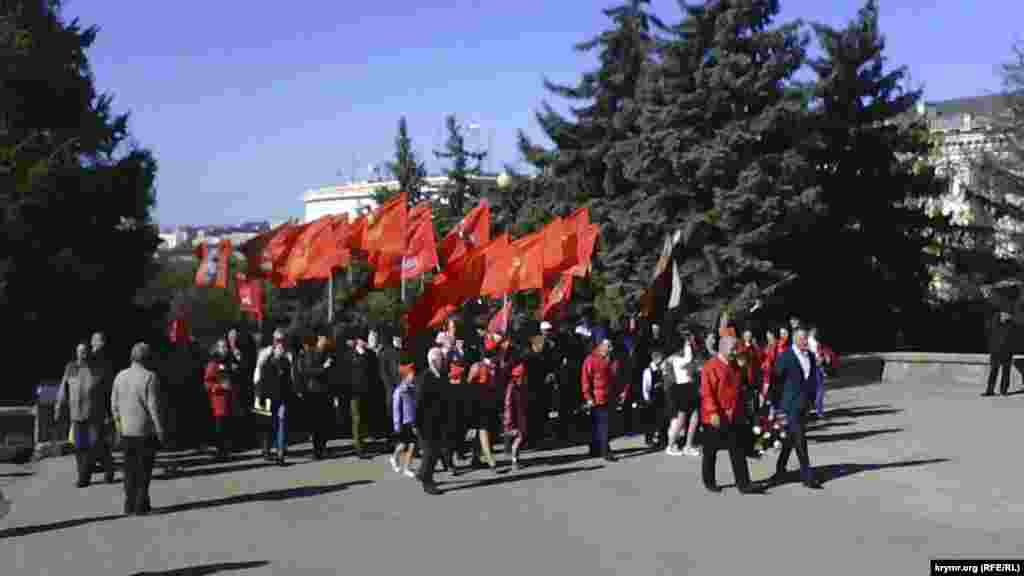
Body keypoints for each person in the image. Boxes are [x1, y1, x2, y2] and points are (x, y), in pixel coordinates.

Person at [111, 342, 166, 516]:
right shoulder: (150, 377)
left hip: (126, 431)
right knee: (144, 470)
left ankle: (129, 504)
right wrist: (160, 429)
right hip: (144, 431)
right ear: (147, 358)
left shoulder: (120, 376)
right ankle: (140, 505)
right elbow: (153, 407)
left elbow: (114, 405)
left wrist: (118, 425)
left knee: (129, 470)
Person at [699, 335, 758, 494]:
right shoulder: (710, 366)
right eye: (732, 349)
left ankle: (744, 484)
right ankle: (709, 481)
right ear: (723, 348)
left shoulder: (735, 365)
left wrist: (745, 366)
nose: (734, 352)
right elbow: (706, 392)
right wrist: (712, 412)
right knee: (711, 451)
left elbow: (746, 384)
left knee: (738, 450)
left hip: (734, 415)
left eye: (735, 349)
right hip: (715, 416)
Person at [767, 328, 822, 490]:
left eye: (806, 338)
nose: (806, 341)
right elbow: (775, 381)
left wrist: (812, 400)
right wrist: (775, 405)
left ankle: (780, 470)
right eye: (803, 338)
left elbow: (812, 380)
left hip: (804, 405)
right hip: (789, 405)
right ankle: (808, 477)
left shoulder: (810, 356)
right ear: (795, 340)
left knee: (790, 439)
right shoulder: (786, 356)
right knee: (800, 439)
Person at [56, 341, 114, 487]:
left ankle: (105, 469)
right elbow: (64, 387)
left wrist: (109, 413)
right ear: (76, 353)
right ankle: (84, 477)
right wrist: (58, 406)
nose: (82, 354)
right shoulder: (71, 368)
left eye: (85, 351)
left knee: (95, 446)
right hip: (76, 415)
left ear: (89, 353)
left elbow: (106, 393)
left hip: (94, 414)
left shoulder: (98, 369)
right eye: (80, 351)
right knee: (80, 447)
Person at [416, 347, 450, 495]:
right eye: (441, 359)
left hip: (439, 421)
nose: (443, 361)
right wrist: (416, 424)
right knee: (430, 452)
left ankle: (423, 474)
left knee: (435, 451)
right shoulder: (425, 378)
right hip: (426, 422)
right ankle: (427, 481)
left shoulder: (441, 375)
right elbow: (418, 403)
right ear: (433, 361)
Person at [257, 340, 294, 466]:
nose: (281, 350)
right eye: (278, 348)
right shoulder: (267, 364)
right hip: (268, 399)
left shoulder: (286, 363)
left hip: (282, 399)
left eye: (282, 348)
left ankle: (280, 454)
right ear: (274, 350)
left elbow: (289, 382)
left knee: (281, 424)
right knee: (269, 426)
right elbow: (262, 383)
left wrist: (289, 397)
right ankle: (266, 450)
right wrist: (261, 399)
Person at [299, 330, 335, 460]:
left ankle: (321, 448)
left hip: (322, 391)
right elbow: (308, 372)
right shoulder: (310, 353)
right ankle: (317, 450)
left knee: (322, 422)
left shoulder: (324, 353)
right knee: (316, 423)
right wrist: (324, 368)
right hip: (313, 392)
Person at [664, 335, 700, 457]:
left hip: (690, 387)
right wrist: (689, 344)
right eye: (685, 345)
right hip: (682, 388)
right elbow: (689, 360)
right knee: (681, 418)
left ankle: (688, 445)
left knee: (695, 416)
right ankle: (670, 445)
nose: (688, 346)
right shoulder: (676, 359)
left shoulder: (681, 358)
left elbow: (693, 365)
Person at [581, 338, 617, 462]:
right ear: (601, 346)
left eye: (611, 346)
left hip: (609, 396)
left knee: (600, 425)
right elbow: (586, 380)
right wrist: (588, 397)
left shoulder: (610, 359)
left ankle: (595, 448)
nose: (611, 349)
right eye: (609, 346)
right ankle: (605, 451)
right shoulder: (591, 360)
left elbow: (613, 377)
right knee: (603, 425)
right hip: (597, 398)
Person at [466, 348, 500, 472]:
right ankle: (491, 461)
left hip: (489, 403)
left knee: (482, 431)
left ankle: (475, 458)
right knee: (483, 430)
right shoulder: (478, 366)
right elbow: (468, 384)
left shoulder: (494, 367)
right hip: (478, 403)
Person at [89, 332, 116, 483]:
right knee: (96, 438)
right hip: (98, 404)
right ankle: (102, 466)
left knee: (97, 439)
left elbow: (104, 385)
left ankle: (108, 467)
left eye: (96, 340)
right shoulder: (105, 359)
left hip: (96, 405)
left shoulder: (98, 359)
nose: (94, 342)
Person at [349, 333, 379, 458]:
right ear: (357, 341)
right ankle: (358, 448)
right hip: (354, 391)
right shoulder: (350, 354)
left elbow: (373, 370)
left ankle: (362, 442)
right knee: (357, 419)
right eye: (362, 340)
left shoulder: (369, 354)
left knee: (364, 418)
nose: (364, 342)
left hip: (367, 390)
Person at [204, 339, 234, 461]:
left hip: (229, 400)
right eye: (222, 347)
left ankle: (226, 452)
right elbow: (207, 383)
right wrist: (220, 386)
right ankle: (220, 452)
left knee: (227, 428)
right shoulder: (213, 364)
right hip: (218, 401)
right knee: (220, 428)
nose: (224, 349)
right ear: (217, 348)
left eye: (226, 347)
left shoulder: (228, 362)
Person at [390, 364, 417, 478]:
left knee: (412, 444)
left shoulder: (413, 388)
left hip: (413, 421)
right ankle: (394, 457)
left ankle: (407, 467)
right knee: (403, 445)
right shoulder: (399, 391)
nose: (413, 376)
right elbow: (396, 409)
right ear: (405, 376)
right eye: (411, 374)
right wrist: (397, 425)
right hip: (404, 422)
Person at [984, 309, 1015, 396]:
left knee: (1006, 372)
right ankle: (990, 390)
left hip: (1007, 352)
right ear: (1001, 314)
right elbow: (989, 331)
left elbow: (1014, 339)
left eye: (1009, 315)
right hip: (995, 352)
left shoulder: (1011, 325)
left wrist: (1011, 350)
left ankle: (1003, 390)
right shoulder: (994, 323)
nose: (1008, 316)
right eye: (1006, 314)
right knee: (993, 371)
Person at [642, 349, 667, 448]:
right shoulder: (648, 371)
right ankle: (649, 439)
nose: (662, 362)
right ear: (656, 360)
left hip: (662, 397)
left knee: (662, 420)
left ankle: (662, 439)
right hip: (652, 399)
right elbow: (646, 387)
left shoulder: (662, 369)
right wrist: (647, 399)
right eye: (661, 360)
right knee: (651, 421)